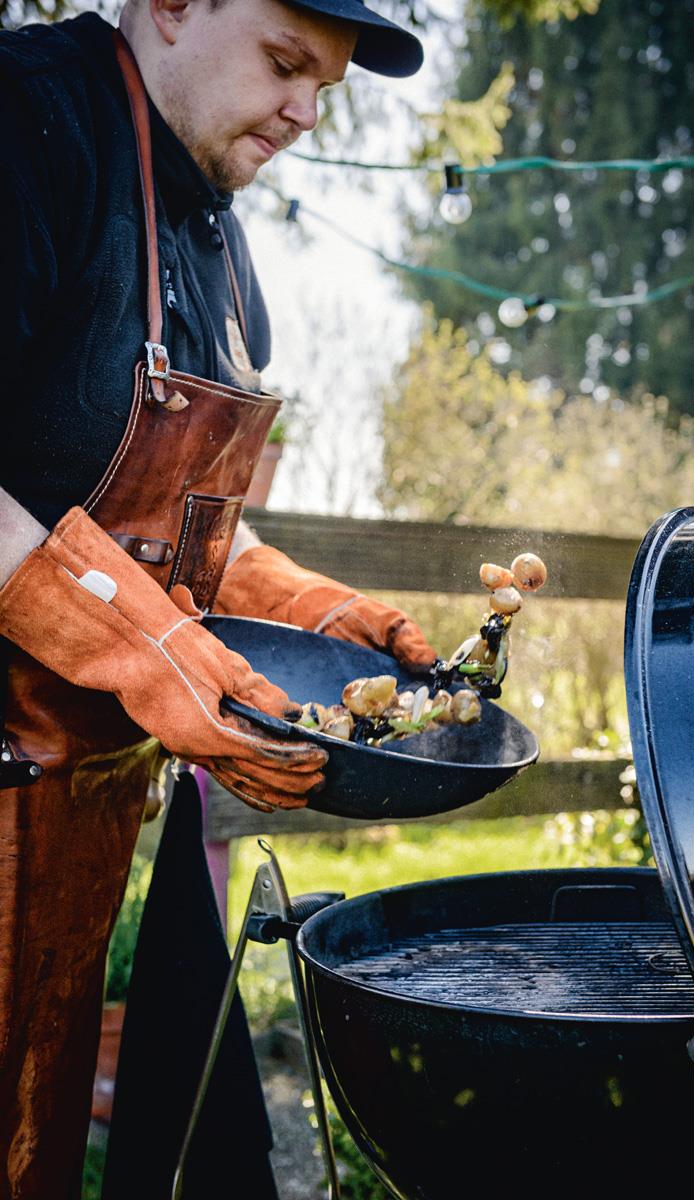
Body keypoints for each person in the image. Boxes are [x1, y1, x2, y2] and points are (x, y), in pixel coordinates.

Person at [0, 0, 432, 1193]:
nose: (303, 111)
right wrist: (144, 650)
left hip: (78, 832)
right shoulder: (29, 123)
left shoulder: (223, 244)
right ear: (174, 6)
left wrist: (312, 612)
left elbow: (167, 536)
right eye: (286, 63)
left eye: (324, 88)